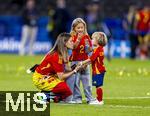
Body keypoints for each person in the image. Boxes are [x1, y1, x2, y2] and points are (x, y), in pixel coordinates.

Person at [32, 33, 81, 103]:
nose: (73, 43)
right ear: (64, 42)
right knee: (64, 87)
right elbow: (61, 77)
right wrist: (75, 71)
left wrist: (77, 66)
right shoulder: (56, 56)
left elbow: (68, 69)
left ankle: (53, 96)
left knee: (68, 82)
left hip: (50, 76)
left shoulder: (64, 53)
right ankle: (43, 96)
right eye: (71, 41)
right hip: (40, 78)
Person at [67, 18, 100, 104]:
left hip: (84, 62)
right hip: (75, 62)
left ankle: (90, 98)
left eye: (82, 27)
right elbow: (73, 47)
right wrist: (78, 39)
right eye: (78, 28)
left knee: (87, 81)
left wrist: (91, 47)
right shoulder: (72, 36)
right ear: (74, 28)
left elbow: (88, 50)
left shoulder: (86, 37)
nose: (80, 29)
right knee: (76, 82)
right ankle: (77, 98)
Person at [78, 32, 107, 105]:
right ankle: (98, 99)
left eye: (93, 38)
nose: (91, 40)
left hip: (98, 71)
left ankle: (99, 100)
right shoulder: (100, 49)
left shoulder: (98, 50)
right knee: (98, 85)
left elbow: (91, 59)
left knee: (98, 86)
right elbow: (92, 60)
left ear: (97, 40)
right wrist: (85, 64)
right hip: (99, 70)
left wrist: (82, 63)